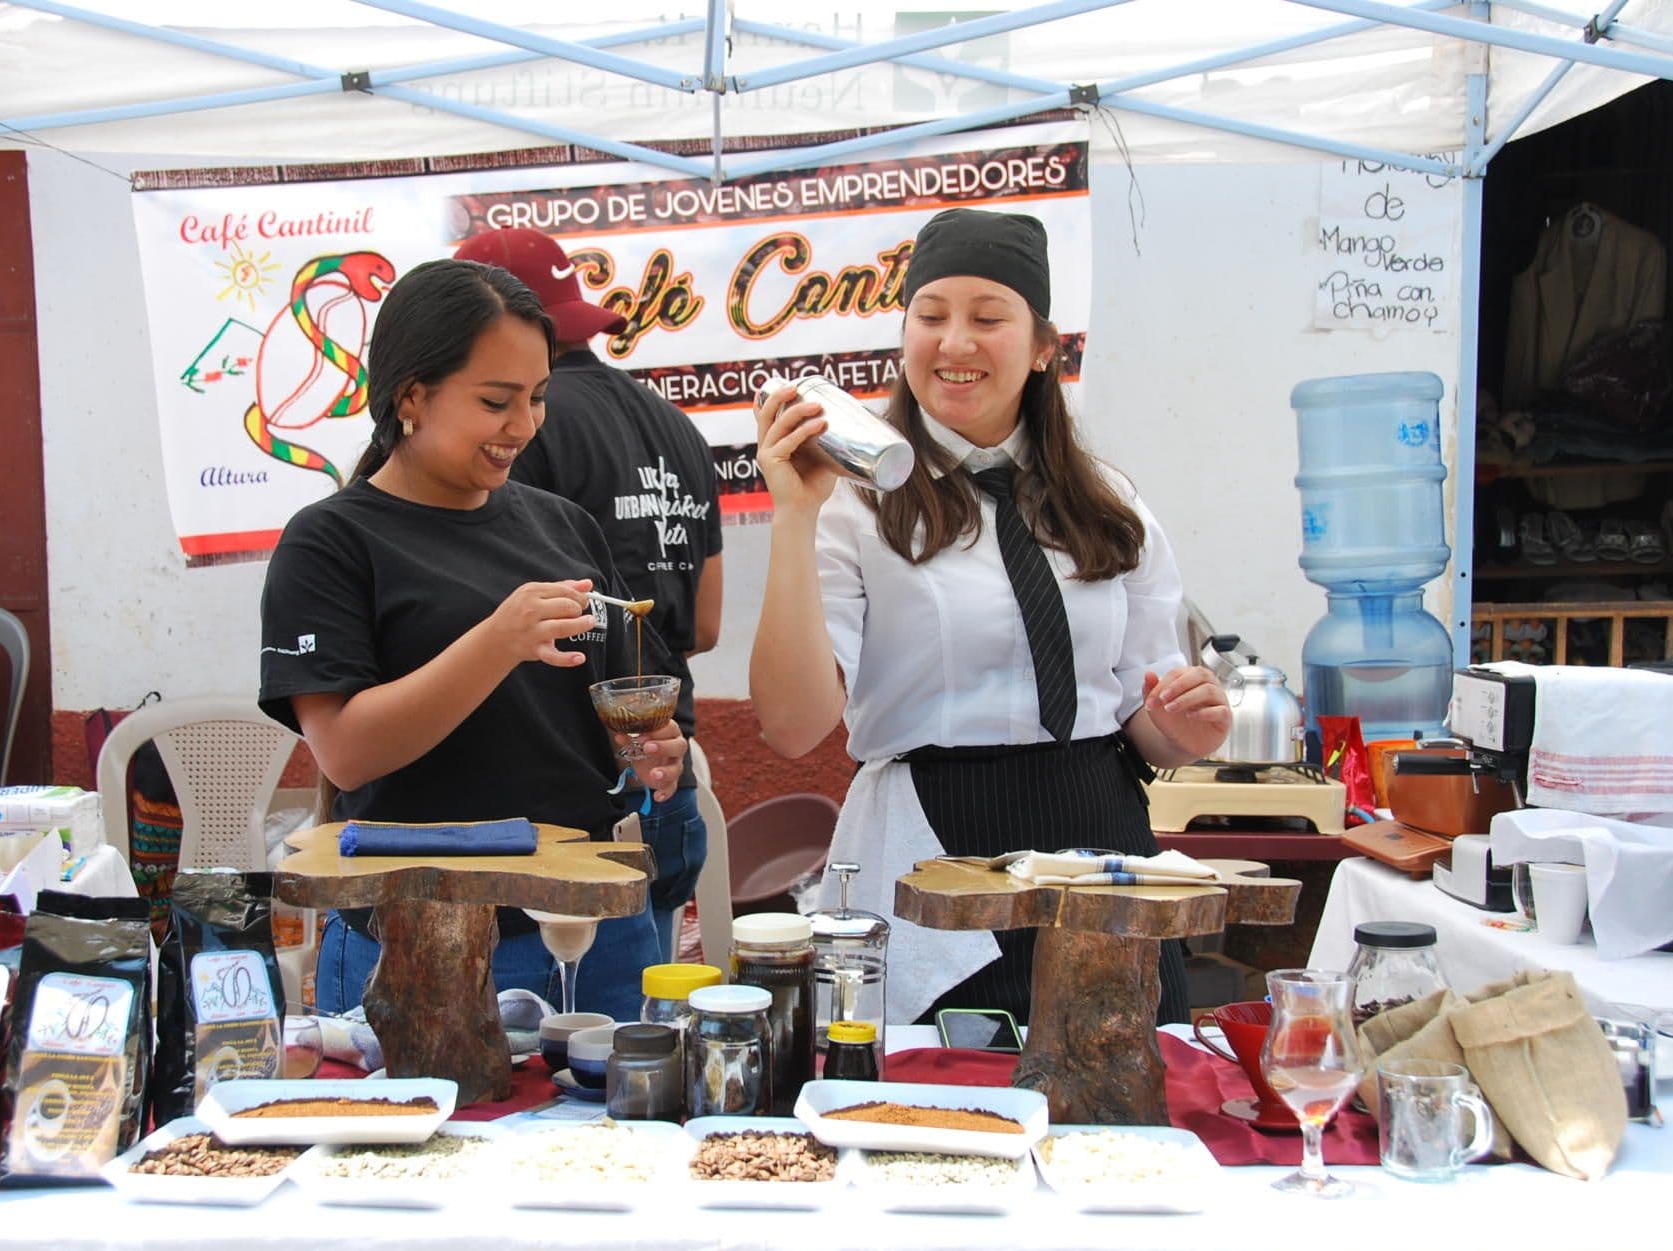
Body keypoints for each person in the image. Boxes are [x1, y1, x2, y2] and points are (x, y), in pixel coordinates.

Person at [748, 208, 1231, 1030]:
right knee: (934, 1111)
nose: (955, 343)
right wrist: (792, 517)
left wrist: (1182, 729)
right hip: (931, 846)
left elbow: (1135, 724)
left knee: (1120, 1101)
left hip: (1095, 833)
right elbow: (792, 727)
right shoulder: (853, 502)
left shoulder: (1109, 506)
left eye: (987, 317)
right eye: (930, 316)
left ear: (1044, 347)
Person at [257, 257, 687, 1023]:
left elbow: (614, 718)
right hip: (421, 936)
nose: (523, 427)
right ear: (412, 395)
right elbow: (347, 752)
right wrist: (497, 639)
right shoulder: (330, 542)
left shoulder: (561, 524)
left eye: (537, 398)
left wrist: (652, 749)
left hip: (593, 921)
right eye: (497, 401)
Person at [455, 227, 723, 956]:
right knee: (643, 1005)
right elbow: (704, 623)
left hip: (568, 780)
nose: (518, 416)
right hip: (668, 752)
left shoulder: (523, 432)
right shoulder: (680, 429)